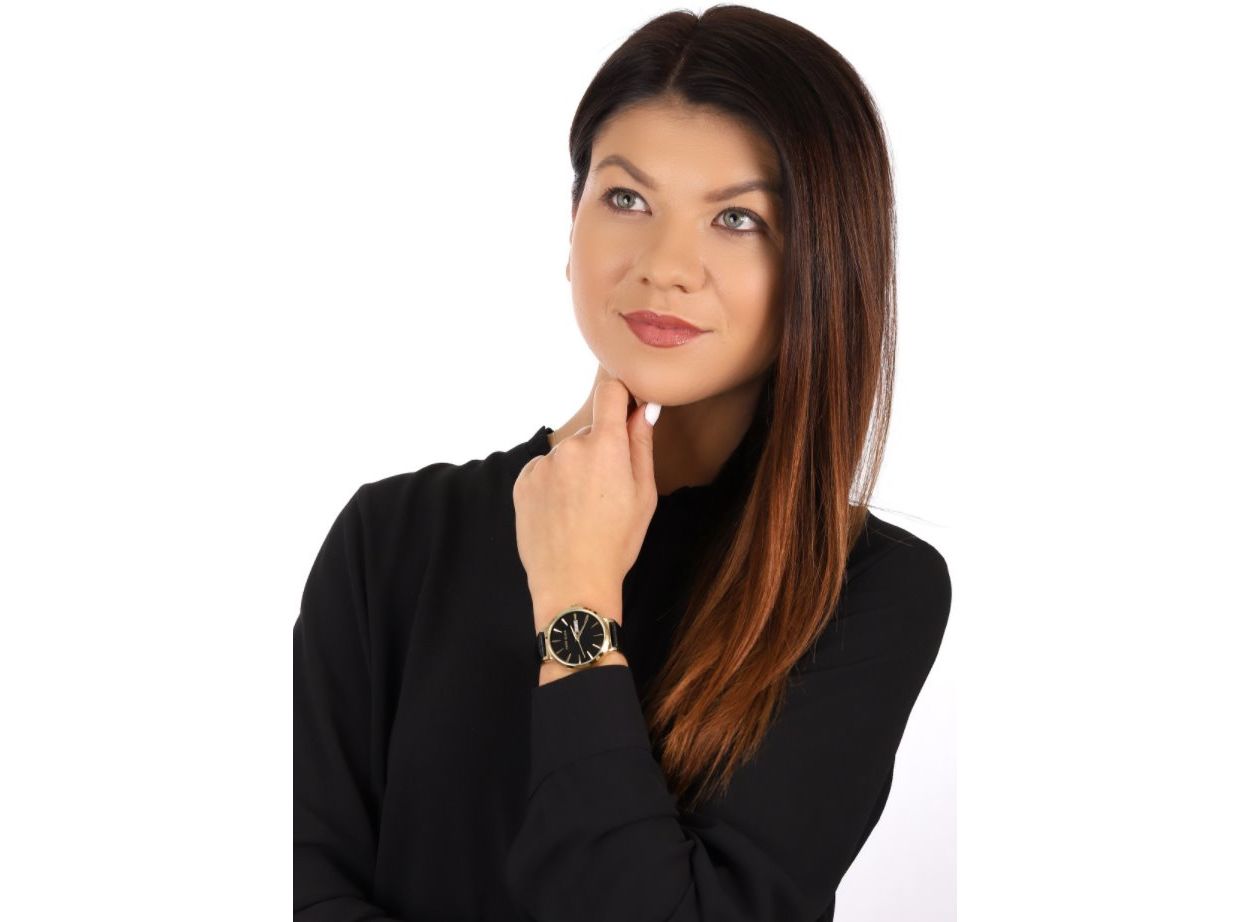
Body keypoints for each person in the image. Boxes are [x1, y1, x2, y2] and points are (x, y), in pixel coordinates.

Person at [294, 6, 951, 920]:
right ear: (571, 227)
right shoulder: (393, 535)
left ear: (822, 265)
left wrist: (576, 598)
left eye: (736, 217)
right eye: (627, 200)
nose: (666, 265)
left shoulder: (864, 591)